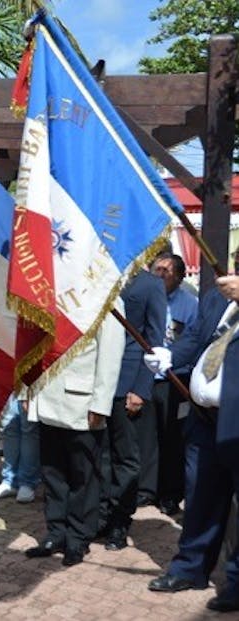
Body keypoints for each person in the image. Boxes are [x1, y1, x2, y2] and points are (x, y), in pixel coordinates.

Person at [144, 275, 239, 613]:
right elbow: (198, 336)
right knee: (199, 496)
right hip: (204, 420)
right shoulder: (216, 298)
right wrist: (169, 355)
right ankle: (190, 568)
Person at [25, 309, 125, 566]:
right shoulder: (48, 292)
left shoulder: (106, 294)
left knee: (83, 477)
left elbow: (110, 355)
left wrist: (101, 404)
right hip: (47, 396)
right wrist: (27, 391)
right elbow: (32, 343)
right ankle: (56, 533)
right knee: (52, 473)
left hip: (82, 402)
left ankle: (78, 538)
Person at [99, 269, 166, 551]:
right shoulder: (100, 272)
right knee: (99, 456)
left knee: (125, 458)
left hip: (127, 383)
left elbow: (155, 341)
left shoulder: (150, 285)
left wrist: (141, 387)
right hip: (97, 380)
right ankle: (99, 516)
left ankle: (119, 522)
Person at [137, 253, 198, 516]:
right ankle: (146, 490)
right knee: (146, 437)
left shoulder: (190, 304)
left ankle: (171, 493)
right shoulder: (145, 299)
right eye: (156, 269)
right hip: (148, 378)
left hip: (177, 379)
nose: (160, 275)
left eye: (166, 271)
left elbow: (195, 340)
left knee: (173, 437)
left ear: (180, 276)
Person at [0, 395, 40, 503]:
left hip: (30, 383)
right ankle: (9, 481)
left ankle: (27, 482)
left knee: (29, 428)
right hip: (11, 384)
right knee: (9, 426)